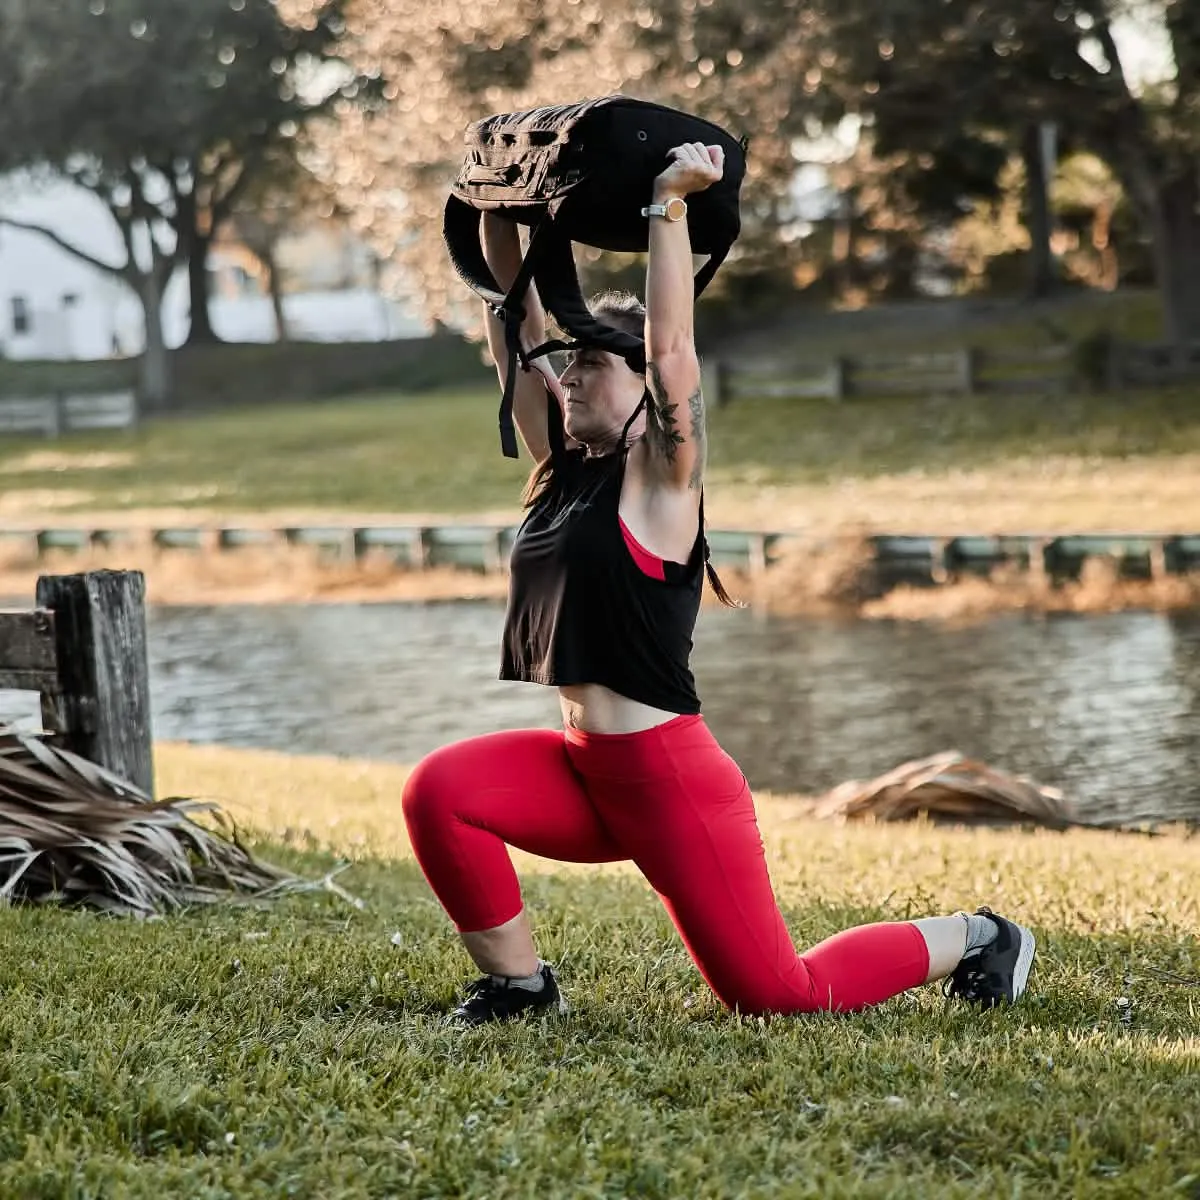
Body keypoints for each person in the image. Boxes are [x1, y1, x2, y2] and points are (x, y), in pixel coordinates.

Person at [402, 141, 1036, 1025]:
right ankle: (520, 987)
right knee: (440, 791)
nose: (570, 372)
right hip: (584, 773)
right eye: (573, 361)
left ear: (638, 392)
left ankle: (980, 935)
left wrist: (669, 206)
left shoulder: (662, 480)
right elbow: (514, 335)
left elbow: (671, 354)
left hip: (671, 786)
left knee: (777, 996)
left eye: (592, 363)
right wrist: (496, 213)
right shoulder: (562, 470)